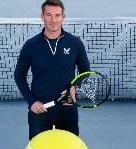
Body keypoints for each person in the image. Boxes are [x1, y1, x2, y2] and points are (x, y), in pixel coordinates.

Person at [14, 0, 90, 140]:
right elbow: (19, 75)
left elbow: (85, 72)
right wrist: (32, 102)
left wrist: (74, 87)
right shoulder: (30, 45)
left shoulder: (75, 43)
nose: (53, 20)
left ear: (63, 17)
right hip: (40, 109)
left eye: (57, 15)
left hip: (68, 108)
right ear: (42, 16)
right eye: (48, 15)